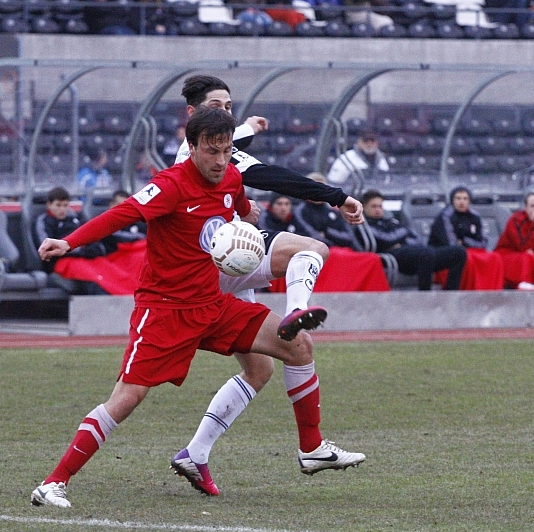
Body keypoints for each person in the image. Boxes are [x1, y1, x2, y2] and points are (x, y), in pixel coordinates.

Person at [30, 107, 365, 507]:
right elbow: (123, 213)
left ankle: (311, 448)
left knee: (298, 345)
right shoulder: (170, 184)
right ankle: (54, 482)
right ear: (191, 147)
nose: (220, 160)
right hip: (165, 311)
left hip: (212, 304)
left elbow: (239, 204)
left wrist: (246, 218)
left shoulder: (231, 177)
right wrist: (69, 242)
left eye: (226, 150)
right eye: (211, 151)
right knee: (127, 398)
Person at [169, 76, 365, 496]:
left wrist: (249, 128)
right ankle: (296, 311)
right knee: (311, 248)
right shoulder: (203, 151)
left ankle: (195, 452)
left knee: (269, 364)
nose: (225, 113)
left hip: (222, 265)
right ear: (193, 115)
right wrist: (337, 196)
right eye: (216, 107)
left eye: (229, 106)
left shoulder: (215, 143)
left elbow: (237, 142)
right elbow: (270, 175)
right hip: (217, 264)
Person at [356, 190, 467, 291]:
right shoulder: (364, 225)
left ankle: (451, 293)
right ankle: (425, 295)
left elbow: (416, 239)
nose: (378, 210)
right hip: (393, 256)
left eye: (380, 206)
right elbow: (385, 240)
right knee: (426, 254)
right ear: (364, 207)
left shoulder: (391, 221)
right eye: (374, 206)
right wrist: (403, 234)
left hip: (412, 252)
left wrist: (399, 240)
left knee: (458, 252)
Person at [427, 186, 505, 290]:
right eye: (458, 198)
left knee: (495, 258)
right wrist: (466, 243)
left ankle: (492, 293)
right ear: (452, 200)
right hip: (446, 253)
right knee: (466, 258)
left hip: (469, 249)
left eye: (465, 198)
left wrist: (464, 241)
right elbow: (452, 243)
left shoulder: (475, 216)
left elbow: (483, 242)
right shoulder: (445, 216)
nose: (462, 202)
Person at [293, 173, 360, 248]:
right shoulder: (300, 211)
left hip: (341, 250)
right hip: (316, 250)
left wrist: (327, 232)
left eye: (322, 188)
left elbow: (349, 237)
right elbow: (311, 235)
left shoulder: (334, 211)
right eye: (315, 188)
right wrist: (332, 245)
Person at [326, 129, 391, 193]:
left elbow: (387, 181)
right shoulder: (346, 158)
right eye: (365, 140)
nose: (369, 143)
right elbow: (334, 182)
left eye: (372, 140)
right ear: (359, 142)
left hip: (376, 195)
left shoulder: (381, 159)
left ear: (377, 143)